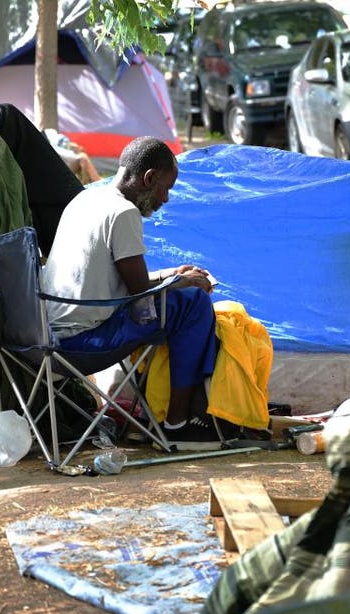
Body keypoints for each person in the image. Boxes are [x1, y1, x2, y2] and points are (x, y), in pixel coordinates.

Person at [41, 137, 221, 443]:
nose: (165, 198)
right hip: (85, 343)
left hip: (47, 337)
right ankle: (177, 423)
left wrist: (171, 273)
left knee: (182, 296)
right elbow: (140, 294)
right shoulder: (124, 213)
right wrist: (186, 283)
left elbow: (119, 278)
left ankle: (171, 412)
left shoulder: (86, 198)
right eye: (166, 188)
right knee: (194, 305)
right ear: (149, 179)